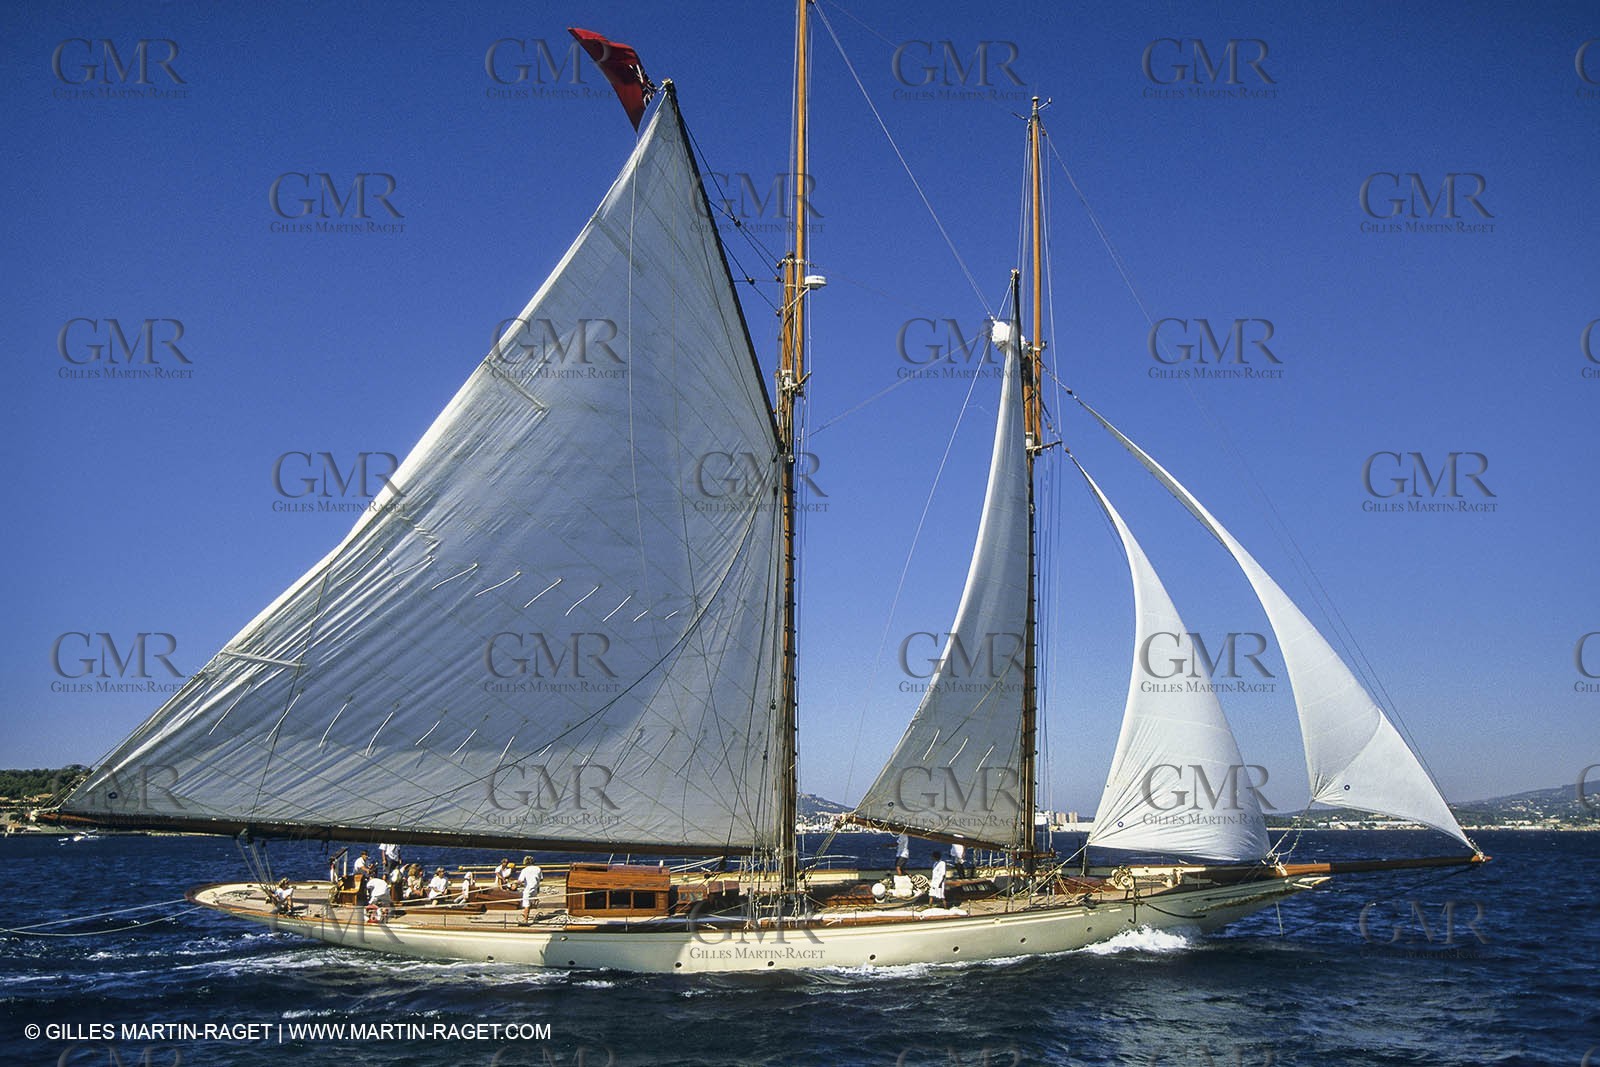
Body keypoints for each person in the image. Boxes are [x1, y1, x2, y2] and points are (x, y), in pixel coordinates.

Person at [517, 856, 543, 925]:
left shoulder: (524, 870)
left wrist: (515, 883)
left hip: (528, 889)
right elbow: (541, 879)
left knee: (526, 904)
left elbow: (520, 881)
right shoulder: (538, 868)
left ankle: (525, 920)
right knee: (529, 903)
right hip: (535, 889)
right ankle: (526, 913)